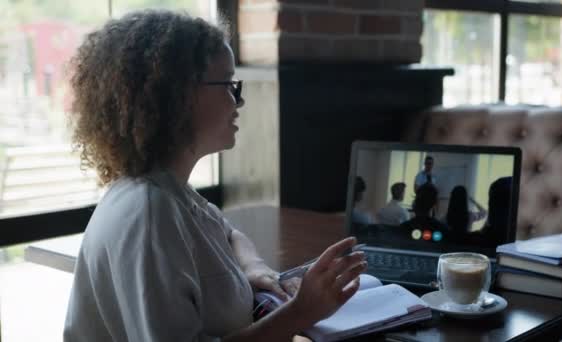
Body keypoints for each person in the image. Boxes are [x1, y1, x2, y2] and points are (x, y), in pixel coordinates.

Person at [63, 10, 367, 342]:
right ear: (176, 96)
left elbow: (230, 235)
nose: (239, 100)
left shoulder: (170, 192)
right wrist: (302, 312)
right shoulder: (149, 213)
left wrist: (255, 269)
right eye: (227, 83)